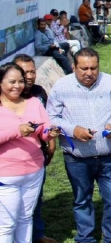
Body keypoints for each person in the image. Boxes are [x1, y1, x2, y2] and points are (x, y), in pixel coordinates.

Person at [47, 48, 111, 243]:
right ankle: (85, 238)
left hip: (108, 155)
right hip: (77, 158)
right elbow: (51, 117)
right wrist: (73, 130)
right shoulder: (61, 86)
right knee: (82, 200)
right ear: (74, 67)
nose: (89, 73)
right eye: (84, 68)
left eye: (93, 68)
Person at [0, 63, 60, 243]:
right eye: (12, 82)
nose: (17, 86)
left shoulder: (34, 102)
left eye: (20, 81)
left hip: (34, 172)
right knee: (6, 225)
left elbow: (43, 129)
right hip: (6, 176)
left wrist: (50, 133)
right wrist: (17, 130)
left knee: (26, 219)